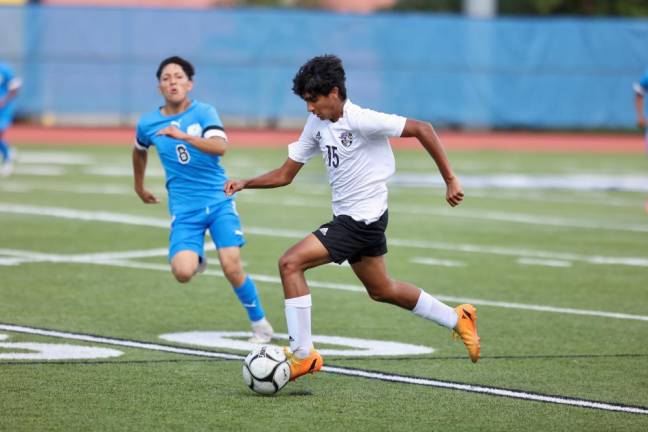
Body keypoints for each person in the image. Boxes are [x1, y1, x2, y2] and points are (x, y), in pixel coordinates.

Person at [224, 54, 480, 381]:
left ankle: (303, 354)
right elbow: (286, 174)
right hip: (361, 219)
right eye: (305, 102)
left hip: (359, 221)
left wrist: (450, 179)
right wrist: (246, 182)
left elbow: (422, 128)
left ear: (334, 92)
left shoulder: (361, 119)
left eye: (313, 100)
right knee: (382, 289)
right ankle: (458, 318)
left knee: (290, 263)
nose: (309, 108)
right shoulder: (316, 124)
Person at [132, 56, 274, 343]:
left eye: (178, 76)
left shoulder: (204, 112)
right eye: (166, 78)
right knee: (182, 273)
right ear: (159, 86)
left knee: (231, 264)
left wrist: (183, 135)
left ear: (190, 83)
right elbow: (139, 150)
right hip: (185, 209)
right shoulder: (148, 122)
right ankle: (196, 261)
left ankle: (260, 324)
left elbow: (220, 147)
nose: (172, 81)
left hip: (218, 200)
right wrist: (139, 186)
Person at [0, 61, 22, 177]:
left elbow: (16, 86)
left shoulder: (4, 69)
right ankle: (7, 151)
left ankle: (7, 160)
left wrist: (4, 100)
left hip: (3, 109)